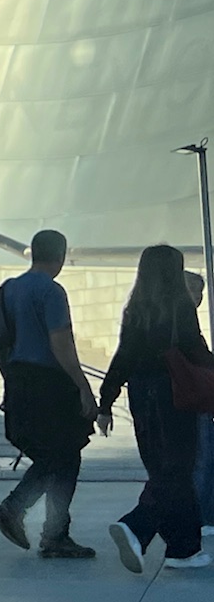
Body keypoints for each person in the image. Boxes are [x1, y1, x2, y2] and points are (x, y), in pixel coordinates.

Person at [0, 229, 99, 559]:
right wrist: (82, 386)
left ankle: (55, 533)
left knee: (59, 457)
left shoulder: (9, 290)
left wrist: (11, 382)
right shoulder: (51, 291)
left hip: (20, 379)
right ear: (60, 255)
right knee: (63, 455)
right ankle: (19, 510)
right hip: (50, 382)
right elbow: (60, 342)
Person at [99, 243, 214, 572]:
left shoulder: (134, 308)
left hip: (141, 394)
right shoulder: (179, 304)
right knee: (177, 470)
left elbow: (123, 356)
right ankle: (137, 526)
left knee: (166, 471)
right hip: (175, 393)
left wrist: (105, 402)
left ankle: (184, 549)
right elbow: (195, 350)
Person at [186, 272, 214, 539]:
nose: (199, 297)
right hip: (194, 400)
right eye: (194, 291)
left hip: (195, 397)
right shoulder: (182, 323)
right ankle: (204, 515)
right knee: (203, 459)